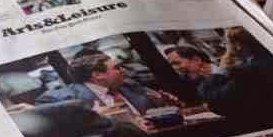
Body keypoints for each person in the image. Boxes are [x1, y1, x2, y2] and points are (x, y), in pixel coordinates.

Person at [36, 50, 182, 130]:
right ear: (98, 75)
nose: (124, 70)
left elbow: (156, 112)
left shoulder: (129, 85)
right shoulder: (62, 98)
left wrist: (167, 105)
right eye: (117, 68)